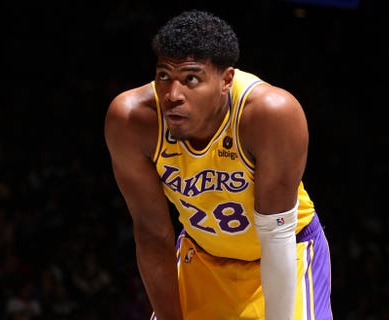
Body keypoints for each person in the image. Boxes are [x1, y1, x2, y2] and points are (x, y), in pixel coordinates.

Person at [104, 9, 332, 320]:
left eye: (191, 79)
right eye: (163, 76)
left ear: (226, 80)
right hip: (201, 258)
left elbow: (275, 236)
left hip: (285, 254)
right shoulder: (132, 120)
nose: (173, 95)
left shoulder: (270, 114)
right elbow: (152, 233)